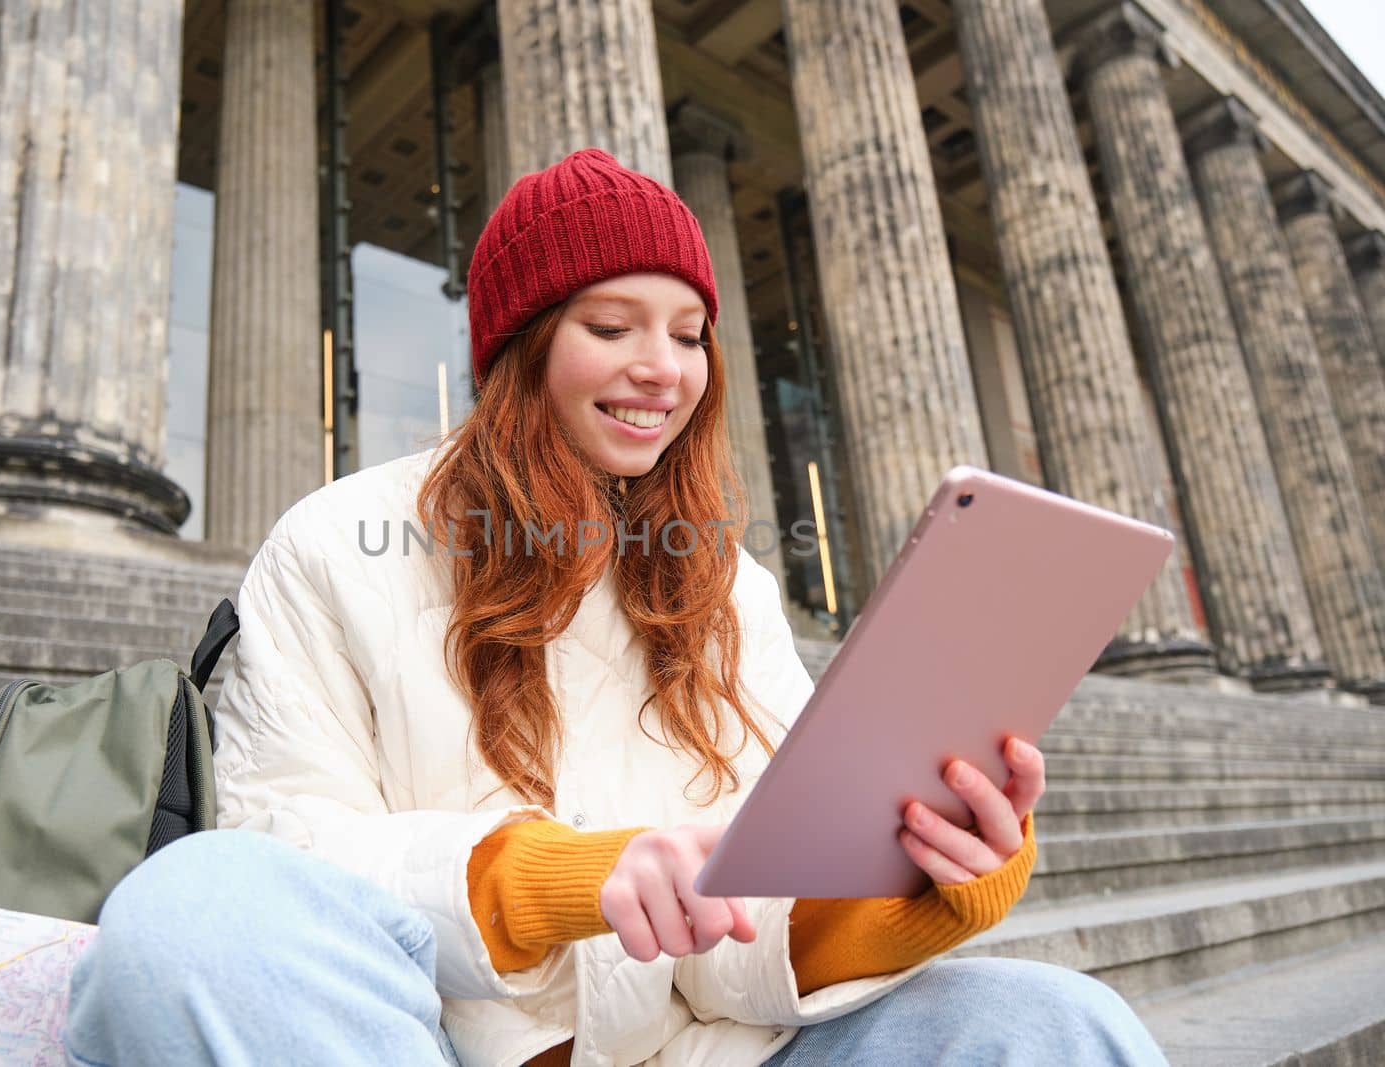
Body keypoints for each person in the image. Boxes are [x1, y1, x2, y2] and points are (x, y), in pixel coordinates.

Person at [61, 148, 1169, 1067]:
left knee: (1055, 1024)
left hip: (708, 1053)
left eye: (688, 333)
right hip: (426, 1046)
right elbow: (286, 850)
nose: (662, 369)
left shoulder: (728, 585)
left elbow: (742, 931)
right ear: (520, 343)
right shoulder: (335, 542)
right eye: (612, 325)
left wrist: (933, 881)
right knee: (197, 905)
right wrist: (556, 881)